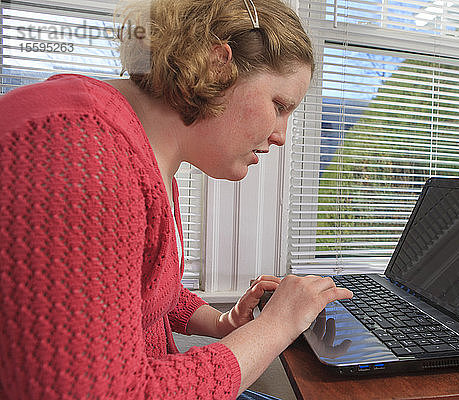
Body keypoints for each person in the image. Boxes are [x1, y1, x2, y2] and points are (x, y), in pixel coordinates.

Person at [0, 0, 352, 398]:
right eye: (279, 105)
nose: (281, 135)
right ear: (219, 65)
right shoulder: (81, 154)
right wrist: (277, 325)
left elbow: (140, 290)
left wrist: (222, 323)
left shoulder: (143, 156)